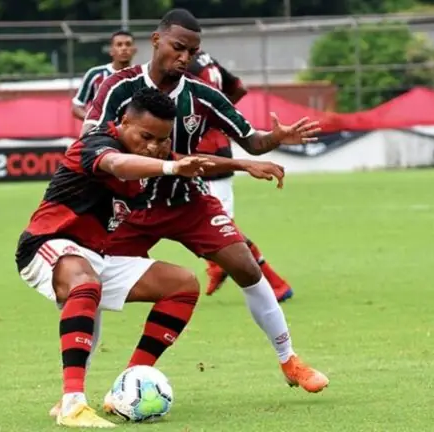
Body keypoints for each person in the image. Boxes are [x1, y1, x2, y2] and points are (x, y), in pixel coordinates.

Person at [82, 9, 329, 407]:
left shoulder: (203, 95)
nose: (185, 57)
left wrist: (276, 138)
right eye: (178, 47)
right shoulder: (118, 87)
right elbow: (91, 141)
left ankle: (289, 360)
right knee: (87, 283)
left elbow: (252, 141)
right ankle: (75, 391)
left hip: (188, 201)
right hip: (127, 205)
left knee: (246, 267)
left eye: (193, 52)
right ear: (156, 40)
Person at [17, 88, 285, 428]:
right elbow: (118, 165)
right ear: (124, 121)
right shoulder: (97, 145)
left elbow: (193, 161)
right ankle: (71, 404)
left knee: (182, 285)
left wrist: (244, 164)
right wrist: (170, 166)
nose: (153, 146)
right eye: (146, 137)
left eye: (161, 140)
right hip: (48, 244)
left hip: (95, 255)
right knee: (85, 283)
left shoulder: (152, 153)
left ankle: (125, 385)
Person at [188, 50, 294, 302]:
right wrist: (220, 116)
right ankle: (218, 265)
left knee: (222, 228)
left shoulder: (183, 65)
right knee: (207, 222)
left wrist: (211, 118)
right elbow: (238, 89)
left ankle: (274, 284)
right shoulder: (206, 59)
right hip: (213, 149)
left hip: (205, 154)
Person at [71, 30, 137, 120]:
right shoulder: (95, 74)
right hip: (102, 128)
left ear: (134, 50)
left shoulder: (141, 75)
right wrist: (95, 121)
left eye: (128, 44)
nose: (124, 48)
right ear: (111, 51)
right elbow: (77, 107)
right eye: (119, 45)